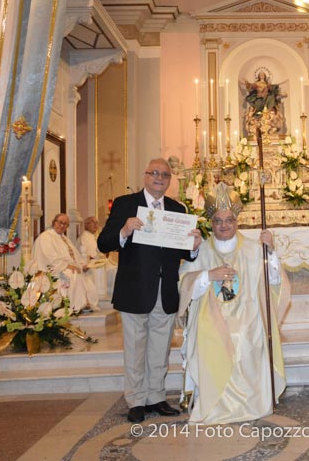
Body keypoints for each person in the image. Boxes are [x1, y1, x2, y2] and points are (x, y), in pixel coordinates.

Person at [98, 158, 202, 424]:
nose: (159, 178)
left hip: (164, 290)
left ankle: (155, 397)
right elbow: (103, 243)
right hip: (134, 288)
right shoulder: (125, 204)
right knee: (135, 347)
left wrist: (193, 245)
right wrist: (124, 230)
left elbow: (184, 253)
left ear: (170, 180)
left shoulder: (177, 208)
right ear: (145, 176)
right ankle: (136, 400)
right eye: (155, 173)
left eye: (165, 175)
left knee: (160, 348)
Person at [178, 184, 288, 424]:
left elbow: (274, 280)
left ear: (237, 221)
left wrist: (270, 252)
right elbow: (185, 284)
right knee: (210, 334)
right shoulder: (200, 250)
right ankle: (215, 402)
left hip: (247, 314)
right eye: (218, 220)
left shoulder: (252, 248)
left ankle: (252, 401)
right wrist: (208, 275)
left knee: (248, 332)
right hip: (210, 317)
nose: (224, 225)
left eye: (229, 220)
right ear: (211, 223)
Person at [31, 213, 100, 313]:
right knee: (73, 275)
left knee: (86, 276)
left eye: (65, 224)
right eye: (60, 222)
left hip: (68, 268)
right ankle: (74, 306)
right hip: (53, 271)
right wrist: (68, 266)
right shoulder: (46, 237)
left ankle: (84, 303)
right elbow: (50, 258)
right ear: (54, 222)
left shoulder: (64, 238)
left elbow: (75, 255)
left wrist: (82, 265)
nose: (62, 225)